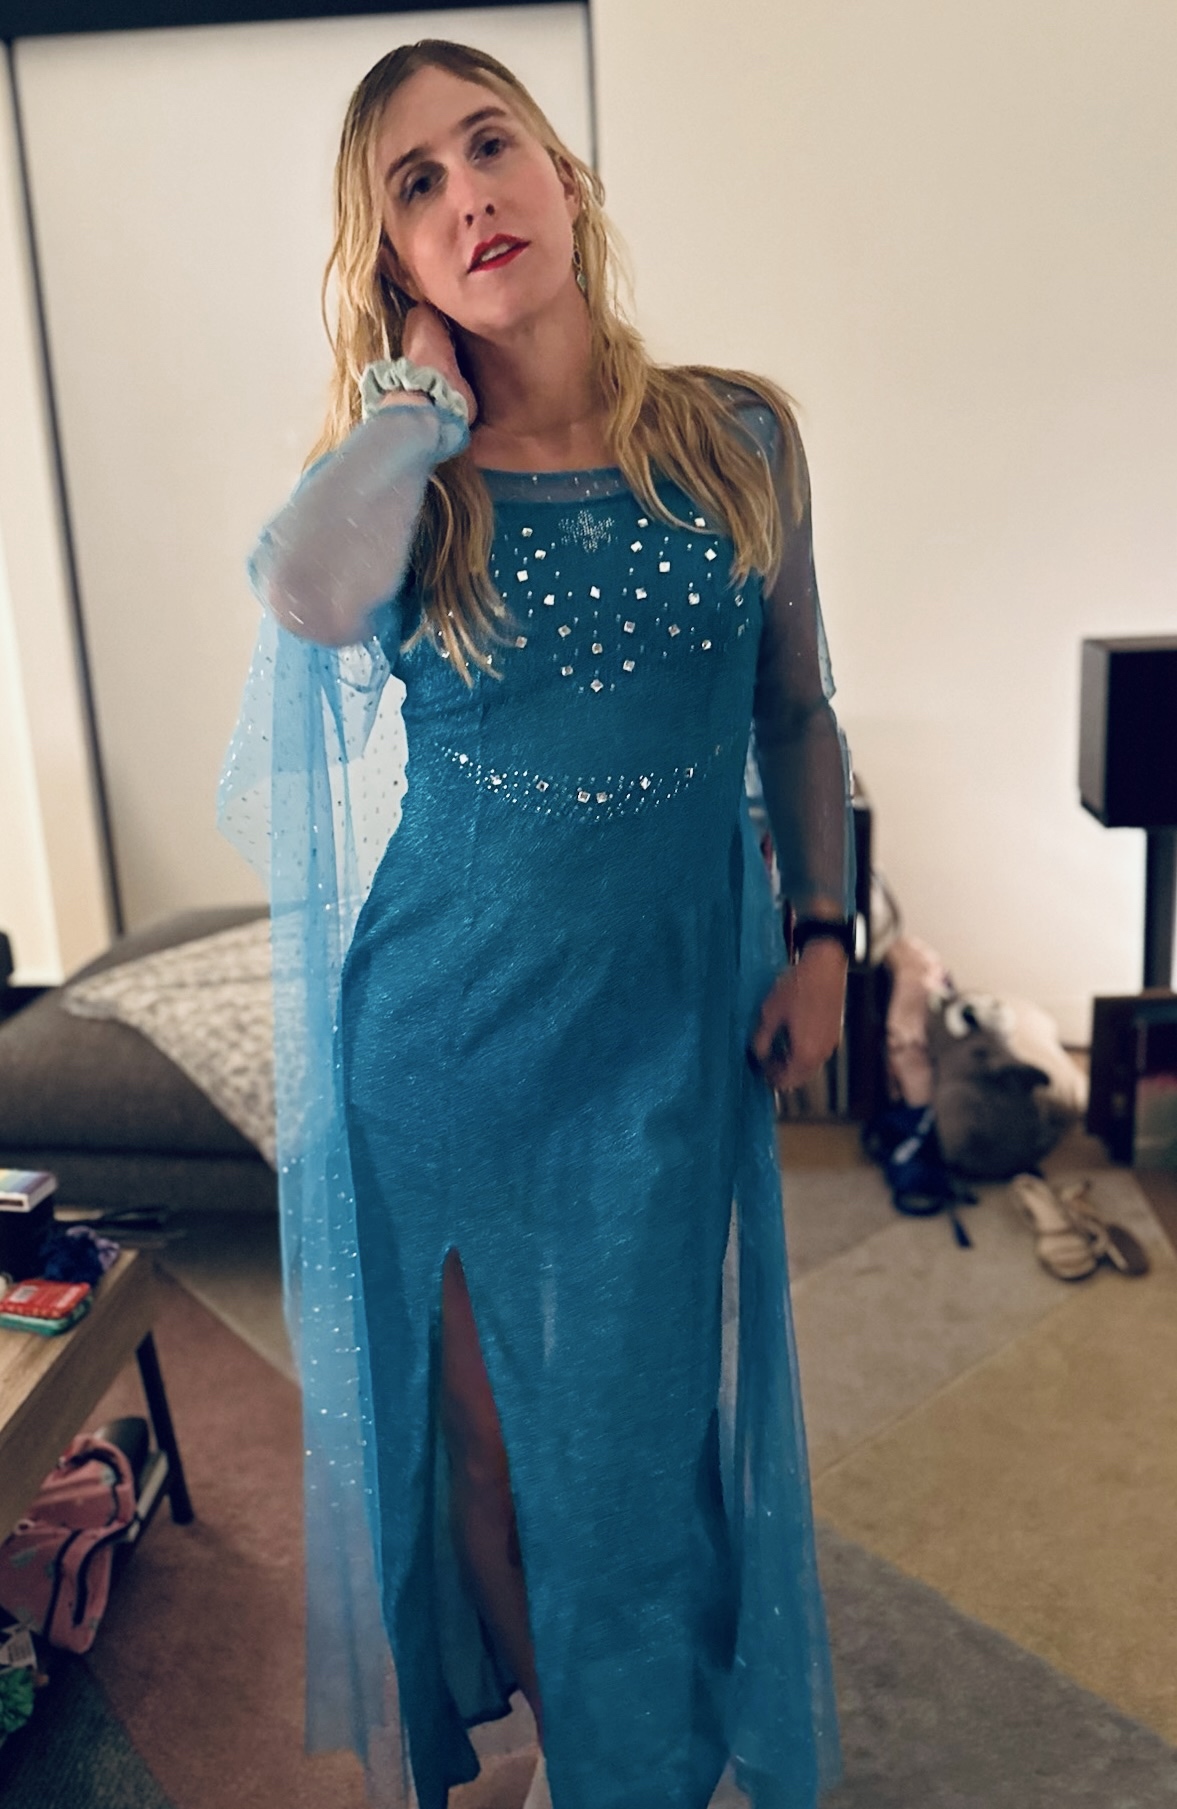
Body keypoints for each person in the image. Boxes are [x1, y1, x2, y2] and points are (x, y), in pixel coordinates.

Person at [220, 37, 855, 1809]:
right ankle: (590, 1760)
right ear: (395, 262)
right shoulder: (403, 487)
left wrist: (823, 930)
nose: (468, 196)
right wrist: (409, 415)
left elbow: (796, 708)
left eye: (489, 146)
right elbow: (301, 595)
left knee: (635, 1444)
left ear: (564, 177)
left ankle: (646, 1732)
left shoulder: (739, 435)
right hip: (446, 1040)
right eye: (413, 186)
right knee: (495, 1454)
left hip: (663, 1022)